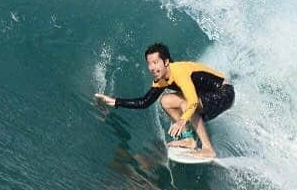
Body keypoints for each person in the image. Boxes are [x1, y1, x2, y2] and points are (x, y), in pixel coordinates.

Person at [95, 43, 234, 159]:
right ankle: (189, 139)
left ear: (166, 62)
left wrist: (181, 120)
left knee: (186, 104)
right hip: (206, 94)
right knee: (166, 101)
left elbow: (192, 101)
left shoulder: (178, 72)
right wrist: (115, 101)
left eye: (155, 63)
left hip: (224, 92)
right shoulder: (161, 79)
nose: (152, 68)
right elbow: (144, 102)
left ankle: (208, 149)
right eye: (149, 64)